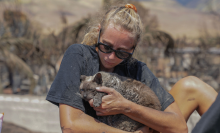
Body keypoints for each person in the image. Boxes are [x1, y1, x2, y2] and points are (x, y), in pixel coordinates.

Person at [46, 4, 218, 133]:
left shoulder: (137, 69)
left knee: (192, 87)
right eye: (106, 46)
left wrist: (125, 106)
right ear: (99, 32)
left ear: (133, 48)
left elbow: (179, 127)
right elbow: (71, 125)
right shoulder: (79, 55)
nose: (111, 57)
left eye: (122, 53)